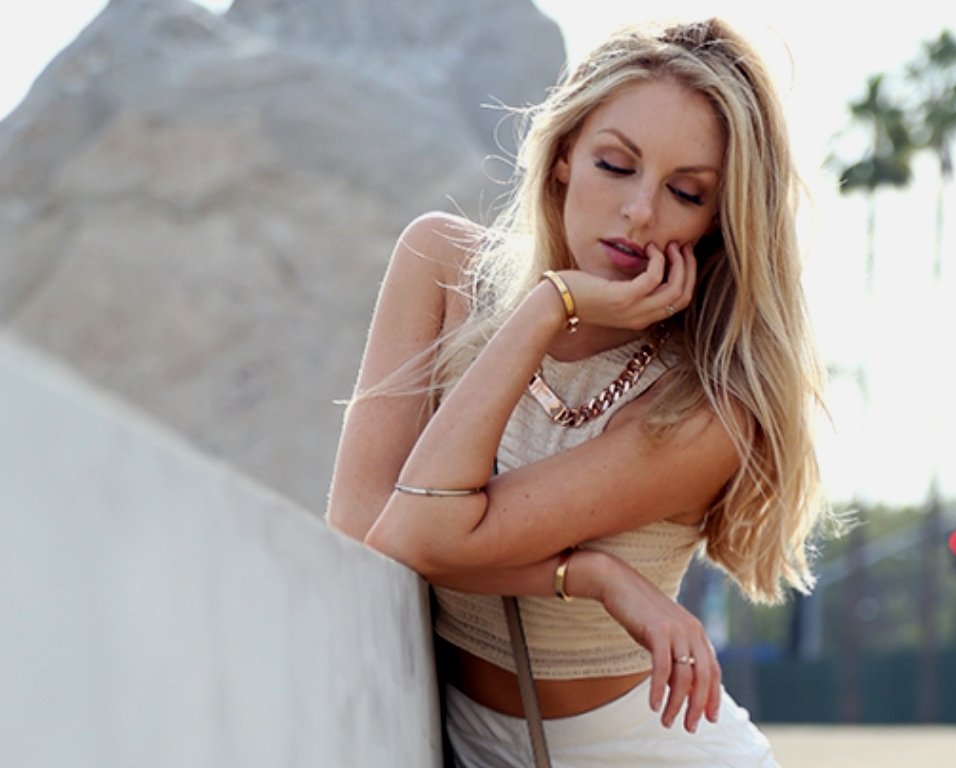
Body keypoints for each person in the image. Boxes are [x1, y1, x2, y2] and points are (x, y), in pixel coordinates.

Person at [326, 17, 830, 768]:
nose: (640, 212)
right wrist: (593, 577)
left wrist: (547, 305)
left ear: (719, 224)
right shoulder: (440, 266)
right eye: (615, 165)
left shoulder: (706, 410)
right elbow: (366, 535)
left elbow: (419, 536)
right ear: (563, 155)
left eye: (686, 193)